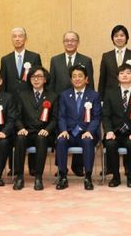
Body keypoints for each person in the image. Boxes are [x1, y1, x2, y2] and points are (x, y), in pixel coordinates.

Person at [48, 30, 93, 176]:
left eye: (73, 40)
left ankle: (78, 165)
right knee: (61, 132)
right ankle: (61, 167)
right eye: (67, 40)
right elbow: (51, 83)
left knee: (81, 127)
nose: (70, 42)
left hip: (82, 101)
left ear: (78, 42)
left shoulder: (86, 60)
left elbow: (89, 82)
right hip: (61, 101)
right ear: (63, 42)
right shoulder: (55, 60)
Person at [0, 27, 42, 175]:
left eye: (20, 36)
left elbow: (38, 78)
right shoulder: (5, 59)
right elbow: (3, 83)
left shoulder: (34, 56)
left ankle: (33, 167)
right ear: (11, 39)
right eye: (14, 37)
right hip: (11, 102)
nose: (17, 39)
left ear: (25, 39)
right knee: (13, 131)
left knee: (31, 129)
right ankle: (13, 167)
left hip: (30, 101)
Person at [56, 65, 101, 190]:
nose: (77, 79)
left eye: (80, 76)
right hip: (69, 132)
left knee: (87, 141)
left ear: (86, 79)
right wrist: (64, 130)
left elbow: (96, 117)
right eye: (74, 76)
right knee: (61, 141)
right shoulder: (65, 95)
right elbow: (61, 116)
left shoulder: (94, 95)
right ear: (70, 80)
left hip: (86, 132)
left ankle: (87, 176)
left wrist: (89, 131)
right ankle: (63, 176)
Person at [13, 66, 58, 190]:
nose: (36, 79)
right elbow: (16, 116)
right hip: (27, 131)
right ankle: (19, 176)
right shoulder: (22, 95)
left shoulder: (53, 96)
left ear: (45, 79)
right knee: (20, 138)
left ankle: (38, 177)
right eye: (33, 77)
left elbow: (55, 119)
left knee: (41, 139)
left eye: (39, 77)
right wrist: (21, 128)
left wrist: (47, 129)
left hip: (44, 132)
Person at [102, 63, 131, 188]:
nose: (125, 75)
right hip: (114, 132)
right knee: (110, 144)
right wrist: (109, 131)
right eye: (121, 73)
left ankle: (130, 176)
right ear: (117, 77)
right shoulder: (110, 93)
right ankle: (115, 176)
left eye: (128, 73)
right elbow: (106, 116)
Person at [98, 25, 131, 100]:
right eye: (116, 36)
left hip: (129, 94)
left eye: (122, 35)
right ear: (112, 38)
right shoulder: (106, 56)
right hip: (110, 95)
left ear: (126, 37)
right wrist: (101, 99)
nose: (119, 38)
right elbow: (102, 79)